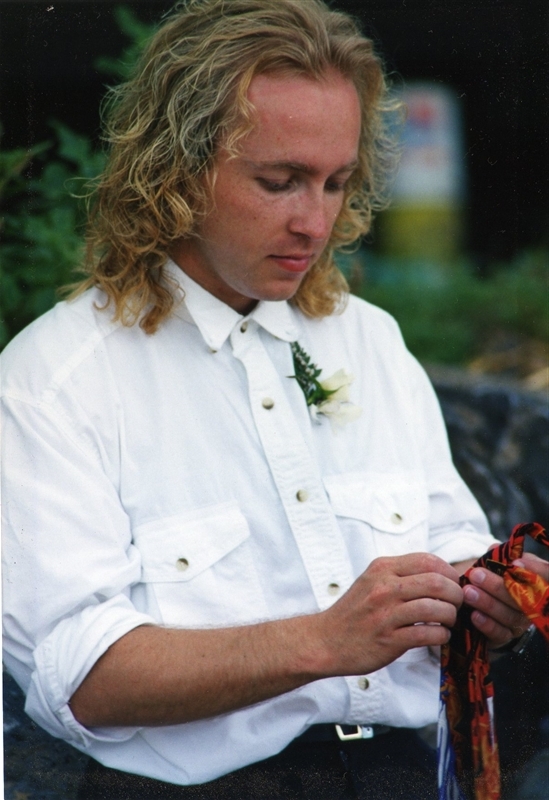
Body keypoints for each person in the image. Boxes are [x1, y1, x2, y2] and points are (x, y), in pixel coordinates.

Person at [1, 1, 535, 798]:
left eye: (335, 182)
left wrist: (488, 599)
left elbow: (452, 541)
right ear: (174, 169)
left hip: (411, 772)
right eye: (279, 181)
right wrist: (321, 642)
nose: (314, 221)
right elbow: (80, 678)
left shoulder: (367, 339)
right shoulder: (58, 375)